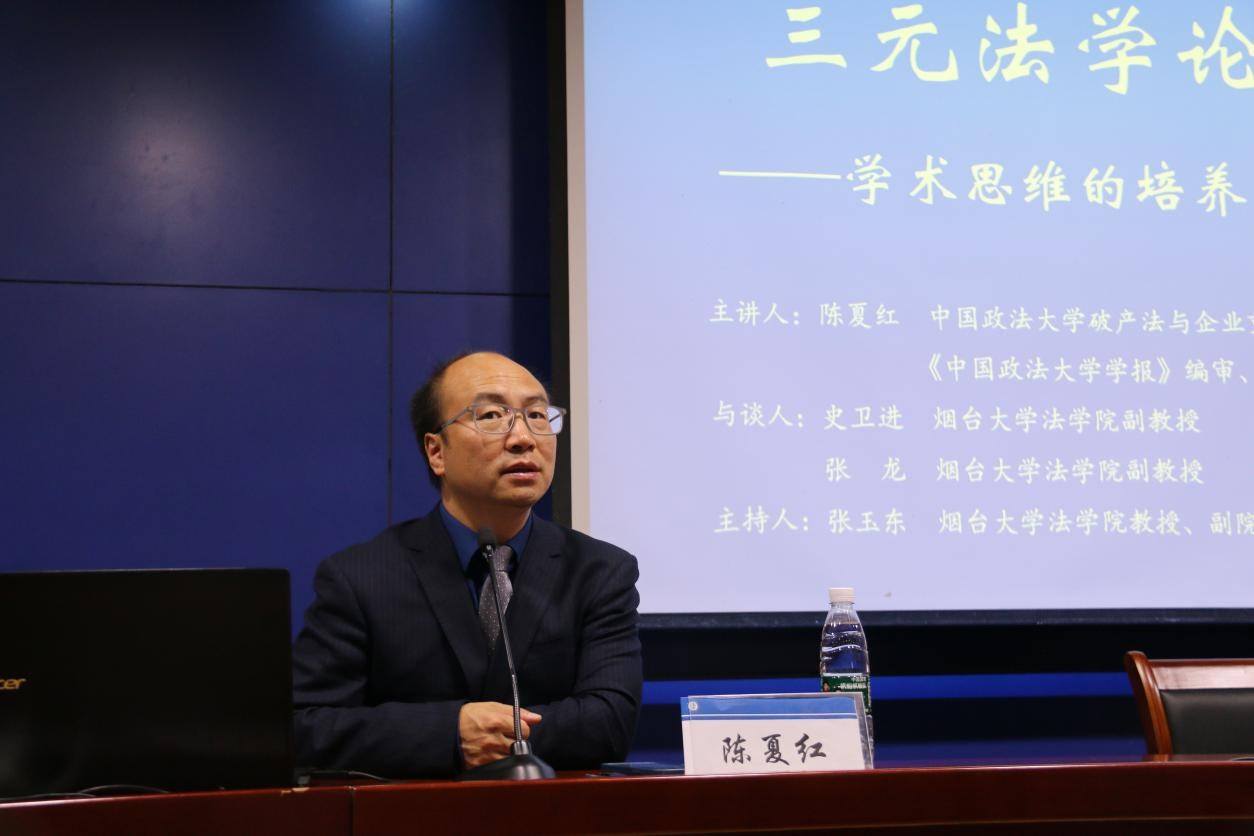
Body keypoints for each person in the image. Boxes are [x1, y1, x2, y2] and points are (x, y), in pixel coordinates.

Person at [291, 351, 642, 777]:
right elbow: (305, 726)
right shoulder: (361, 577)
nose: (523, 438)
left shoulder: (599, 571)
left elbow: (609, 722)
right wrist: (448, 734)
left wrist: (500, 735)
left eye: (536, 415)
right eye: (492, 415)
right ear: (436, 451)